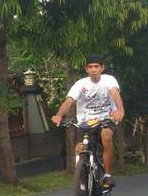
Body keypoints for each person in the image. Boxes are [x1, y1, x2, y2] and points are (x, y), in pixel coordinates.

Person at [52, 54, 124, 189]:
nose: (93, 69)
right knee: (79, 150)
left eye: (96, 66)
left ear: (102, 68)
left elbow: (115, 94)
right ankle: (82, 186)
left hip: (106, 119)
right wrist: (59, 115)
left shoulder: (109, 80)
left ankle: (107, 175)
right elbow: (69, 102)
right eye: (90, 67)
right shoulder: (80, 84)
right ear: (86, 69)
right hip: (85, 122)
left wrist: (120, 110)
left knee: (106, 136)